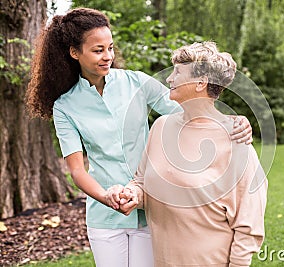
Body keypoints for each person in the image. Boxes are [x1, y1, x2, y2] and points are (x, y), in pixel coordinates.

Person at [25, 8, 253, 267]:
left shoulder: (137, 83)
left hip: (152, 209)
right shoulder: (65, 106)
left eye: (110, 48)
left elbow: (192, 111)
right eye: (98, 50)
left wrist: (231, 121)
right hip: (104, 217)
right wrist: (106, 197)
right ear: (74, 52)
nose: (108, 56)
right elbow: (77, 171)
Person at [115, 41, 268, 266]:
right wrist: (132, 194)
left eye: (177, 72)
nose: (169, 78)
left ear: (200, 83)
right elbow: (141, 181)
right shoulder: (161, 127)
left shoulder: (236, 141)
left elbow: (249, 224)